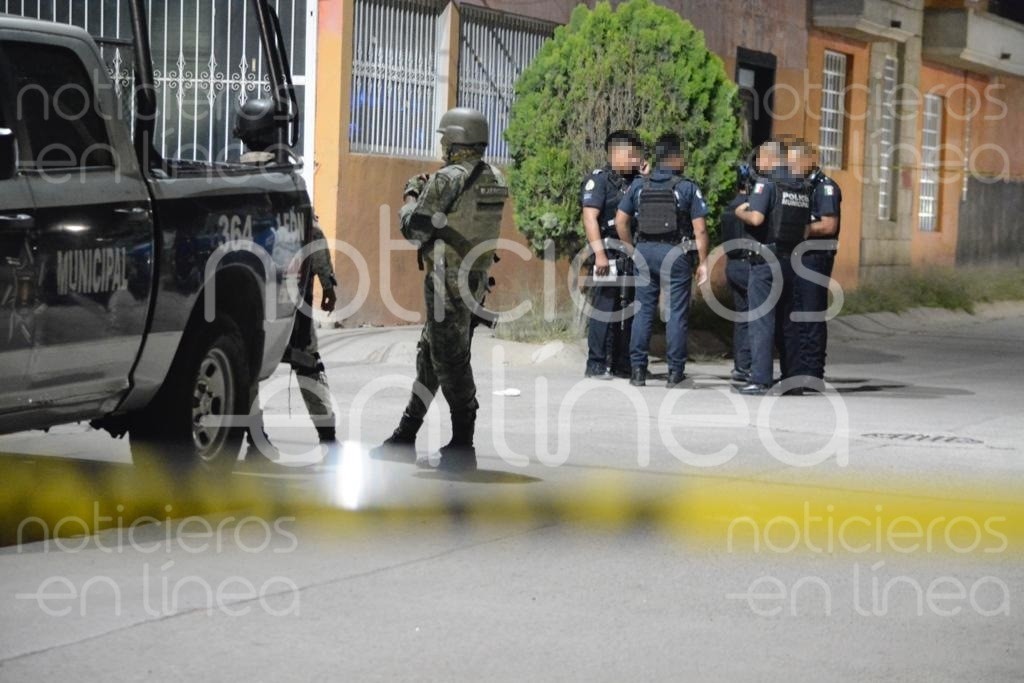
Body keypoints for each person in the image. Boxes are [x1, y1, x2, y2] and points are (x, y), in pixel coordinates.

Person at [371, 107, 508, 473]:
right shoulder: (494, 175)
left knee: (448, 360)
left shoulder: (449, 178)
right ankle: (406, 433)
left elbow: (414, 228)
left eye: (444, 138)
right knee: (432, 356)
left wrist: (412, 195)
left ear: (454, 140)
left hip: (446, 281)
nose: (442, 145)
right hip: (474, 279)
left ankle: (463, 442)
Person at [615, 134, 709, 388]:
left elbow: (620, 221)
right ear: (676, 157)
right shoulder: (687, 187)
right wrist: (703, 261)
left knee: (643, 310)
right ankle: (675, 373)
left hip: (644, 251)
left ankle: (637, 371)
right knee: (676, 312)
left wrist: (631, 249)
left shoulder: (639, 185)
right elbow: (700, 229)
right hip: (675, 253)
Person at [733, 139, 811, 396]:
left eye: (760, 159)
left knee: (761, 320)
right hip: (792, 260)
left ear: (768, 158)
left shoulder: (766, 184)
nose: (757, 164)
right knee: (788, 322)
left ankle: (760, 379)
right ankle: (793, 380)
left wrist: (740, 211)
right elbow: (807, 229)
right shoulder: (801, 186)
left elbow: (756, 218)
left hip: (766, 260)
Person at [580, 130, 644, 380]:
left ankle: (622, 363)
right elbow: (590, 218)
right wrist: (600, 255)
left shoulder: (636, 180)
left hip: (631, 251)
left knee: (630, 307)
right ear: (616, 154)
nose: (636, 159)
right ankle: (596, 363)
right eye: (631, 155)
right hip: (607, 251)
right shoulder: (599, 181)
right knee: (605, 307)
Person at [790, 141, 841, 387]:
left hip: (815, 257)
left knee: (811, 312)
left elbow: (829, 225)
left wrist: (801, 230)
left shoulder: (825, 187)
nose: (790, 167)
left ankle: (813, 371)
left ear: (809, 159)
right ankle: (797, 367)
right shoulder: (798, 186)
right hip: (796, 256)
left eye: (793, 161)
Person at [721, 163, 755, 384]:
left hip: (732, 265)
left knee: (741, 317)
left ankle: (741, 366)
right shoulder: (750, 209)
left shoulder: (727, 209)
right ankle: (753, 366)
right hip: (749, 265)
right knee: (757, 318)